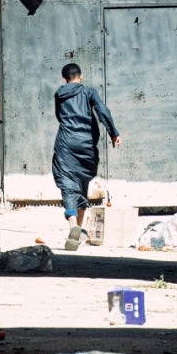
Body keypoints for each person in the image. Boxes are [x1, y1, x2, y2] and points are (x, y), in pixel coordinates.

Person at [51, 61, 120, 251]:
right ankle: (78, 232)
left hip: (66, 142)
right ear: (80, 77)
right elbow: (102, 111)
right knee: (82, 183)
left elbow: (59, 116)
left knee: (67, 183)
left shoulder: (59, 94)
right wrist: (113, 133)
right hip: (86, 145)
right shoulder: (89, 92)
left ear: (64, 79)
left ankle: (74, 225)